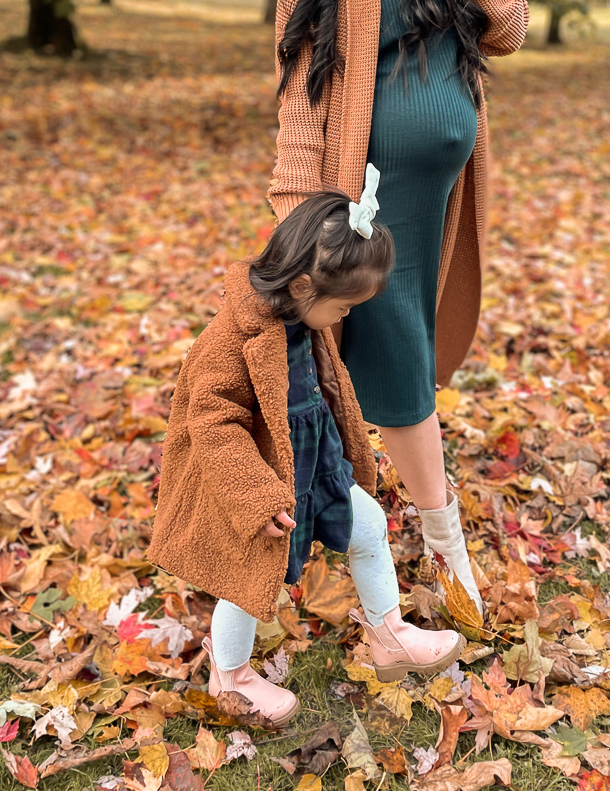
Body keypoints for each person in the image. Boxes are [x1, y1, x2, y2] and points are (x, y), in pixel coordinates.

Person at [269, 0, 529, 617]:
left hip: (436, 203)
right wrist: (300, 219)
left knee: (398, 358)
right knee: (379, 371)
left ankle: (374, 533)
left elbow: (511, 29)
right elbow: (300, 93)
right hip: (361, 207)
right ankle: (439, 543)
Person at [146, 176, 465, 726]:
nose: (345, 317)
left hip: (315, 467)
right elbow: (213, 421)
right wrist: (254, 495)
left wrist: (350, 454)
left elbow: (326, 389)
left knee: (369, 530)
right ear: (299, 286)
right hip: (257, 484)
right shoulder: (233, 338)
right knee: (244, 582)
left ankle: (389, 634)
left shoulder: (304, 320)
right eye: (343, 307)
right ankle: (231, 676)